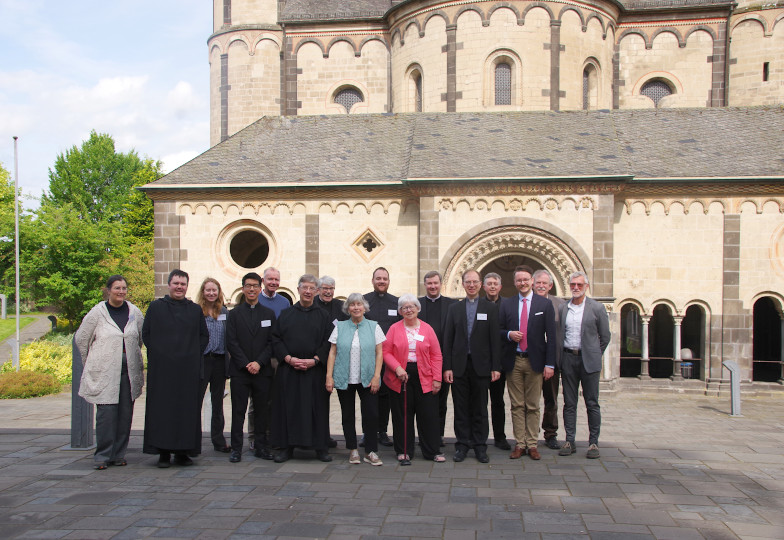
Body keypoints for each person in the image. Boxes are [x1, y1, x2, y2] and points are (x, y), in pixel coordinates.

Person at [75, 275, 145, 470]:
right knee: (106, 414)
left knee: (125, 414)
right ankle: (103, 455)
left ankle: (118, 454)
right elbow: (82, 338)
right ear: (108, 290)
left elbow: (140, 337)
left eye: (124, 288)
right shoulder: (98, 313)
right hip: (106, 372)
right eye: (117, 288)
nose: (121, 291)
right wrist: (91, 361)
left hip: (128, 372)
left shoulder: (134, 312)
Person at [143, 269, 209, 467]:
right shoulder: (156, 308)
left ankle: (183, 452)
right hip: (163, 370)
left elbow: (203, 336)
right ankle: (163, 453)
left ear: (187, 286)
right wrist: (161, 355)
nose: (179, 287)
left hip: (187, 370)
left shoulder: (195, 310)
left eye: (183, 284)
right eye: (176, 283)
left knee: (186, 411)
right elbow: (147, 334)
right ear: (169, 285)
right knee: (162, 411)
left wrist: (192, 354)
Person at [270, 274, 333, 462]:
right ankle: (286, 448)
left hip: (315, 371)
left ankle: (320, 447)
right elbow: (276, 339)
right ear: (298, 289)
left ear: (317, 291)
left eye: (312, 288)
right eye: (304, 287)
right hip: (290, 370)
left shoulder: (324, 316)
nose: (308, 291)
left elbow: (328, 342)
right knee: (288, 408)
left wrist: (315, 360)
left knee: (317, 409)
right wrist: (288, 359)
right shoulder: (286, 314)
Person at [443, 270, 501, 464]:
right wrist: (447, 367)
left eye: (475, 282)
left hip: (481, 367)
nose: (471, 285)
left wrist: (496, 366)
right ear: (463, 284)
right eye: (468, 282)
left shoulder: (490, 308)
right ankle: (462, 445)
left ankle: (480, 446)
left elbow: (495, 339)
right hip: (459, 366)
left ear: (480, 284)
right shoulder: (454, 308)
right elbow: (448, 339)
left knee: (480, 409)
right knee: (460, 408)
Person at [498, 265, 556, 461]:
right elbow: (498, 330)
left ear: (532, 281)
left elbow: (552, 336)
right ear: (514, 282)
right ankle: (519, 444)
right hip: (514, 360)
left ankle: (532, 444)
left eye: (525, 279)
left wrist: (550, 364)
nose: (522, 283)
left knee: (533, 405)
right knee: (516, 405)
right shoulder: (507, 304)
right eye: (519, 280)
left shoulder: (544, 304)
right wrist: (509, 334)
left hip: (535, 361)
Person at [325, 293, 385, 466]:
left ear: (364, 307)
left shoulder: (374, 326)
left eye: (359, 304)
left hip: (368, 377)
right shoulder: (340, 327)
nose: (356, 307)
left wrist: (376, 376)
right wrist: (329, 376)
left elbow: (379, 352)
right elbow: (332, 352)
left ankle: (371, 451)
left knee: (371, 414)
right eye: (352, 305)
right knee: (347, 415)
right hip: (345, 377)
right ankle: (352, 449)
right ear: (348, 308)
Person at [383, 294, 444, 462]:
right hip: (400, 376)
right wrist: (397, 368)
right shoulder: (394, 328)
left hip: (425, 376)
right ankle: (404, 450)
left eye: (411, 307)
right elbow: (385, 352)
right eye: (404, 307)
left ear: (418, 308)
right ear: (400, 311)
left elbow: (436, 355)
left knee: (428, 415)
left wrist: (437, 378)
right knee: (403, 415)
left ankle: (431, 451)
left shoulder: (427, 329)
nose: (408, 310)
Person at [558, 271, 611, 459]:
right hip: (568, 359)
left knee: (592, 403)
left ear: (586, 286)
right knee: (569, 403)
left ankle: (593, 442)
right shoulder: (564, 308)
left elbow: (605, 336)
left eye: (579, 285)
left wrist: (593, 353)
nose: (576, 288)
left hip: (588, 360)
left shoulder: (597, 308)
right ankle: (569, 441)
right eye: (573, 284)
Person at [226, 272, 276, 462]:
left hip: (262, 371)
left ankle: (261, 447)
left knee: (262, 412)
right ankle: (236, 449)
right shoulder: (234, 314)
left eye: (255, 286)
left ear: (260, 288)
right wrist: (246, 363)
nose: (252, 289)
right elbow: (231, 342)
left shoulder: (268, 314)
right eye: (248, 286)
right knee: (238, 411)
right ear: (243, 288)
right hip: (240, 371)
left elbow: (272, 342)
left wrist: (258, 362)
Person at [248, 266, 290, 450]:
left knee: (275, 399)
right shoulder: (256, 299)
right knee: (256, 399)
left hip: (277, 358)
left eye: (276, 279)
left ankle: (272, 434)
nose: (273, 282)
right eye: (270, 279)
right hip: (259, 358)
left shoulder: (284, 302)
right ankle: (253, 436)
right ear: (263, 281)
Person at [363, 267, 401, 447]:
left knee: (385, 396)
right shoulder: (364, 301)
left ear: (389, 281)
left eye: (384, 279)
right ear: (373, 280)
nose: (381, 281)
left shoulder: (396, 303)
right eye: (378, 278)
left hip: (388, 358)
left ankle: (382, 431)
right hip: (368, 357)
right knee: (367, 395)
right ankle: (367, 432)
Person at [417, 271, 455, 447]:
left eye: (435, 283)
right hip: (421, 363)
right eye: (429, 283)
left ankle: (438, 435)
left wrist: (449, 366)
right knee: (423, 403)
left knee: (441, 402)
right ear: (425, 284)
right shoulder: (417, 305)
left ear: (441, 284)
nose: (433, 286)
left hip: (443, 362)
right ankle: (424, 436)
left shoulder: (452, 305)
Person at [196, 277, 230, 453]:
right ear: (203, 292)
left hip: (219, 361)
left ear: (219, 292)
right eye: (208, 290)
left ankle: (218, 440)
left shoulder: (224, 312)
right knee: (196, 401)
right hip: (202, 361)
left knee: (218, 403)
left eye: (214, 290)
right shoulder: (197, 312)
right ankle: (193, 439)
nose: (211, 293)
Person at [533, 269, 566, 450]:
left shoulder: (560, 305)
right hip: (531, 360)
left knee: (551, 399)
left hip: (552, 360)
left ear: (550, 286)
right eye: (538, 282)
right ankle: (530, 434)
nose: (541, 286)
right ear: (533, 284)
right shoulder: (526, 302)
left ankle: (550, 433)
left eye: (544, 283)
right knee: (530, 400)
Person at [483, 272, 509, 450]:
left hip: (501, 362)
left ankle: (500, 437)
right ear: (484, 287)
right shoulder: (478, 305)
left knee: (498, 401)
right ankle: (480, 438)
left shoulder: (507, 305)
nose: (492, 286)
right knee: (479, 403)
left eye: (495, 283)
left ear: (500, 287)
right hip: (481, 362)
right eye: (489, 283)